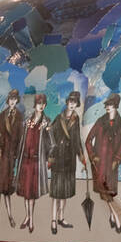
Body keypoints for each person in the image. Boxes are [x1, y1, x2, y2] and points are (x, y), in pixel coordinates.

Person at [85, 93, 121, 232]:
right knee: (105, 193)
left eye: (110, 105)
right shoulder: (100, 121)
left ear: (116, 106)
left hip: (112, 165)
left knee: (110, 192)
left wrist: (117, 159)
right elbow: (88, 141)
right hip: (100, 165)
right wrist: (93, 156)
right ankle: (116, 219)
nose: (108, 108)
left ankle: (111, 217)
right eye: (107, 105)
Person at [48, 92, 86, 234]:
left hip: (70, 160)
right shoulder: (59, 118)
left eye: (75, 102)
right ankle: (53, 220)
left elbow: (76, 140)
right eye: (70, 101)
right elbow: (51, 136)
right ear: (67, 102)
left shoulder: (76, 120)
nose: (72, 104)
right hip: (58, 158)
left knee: (65, 192)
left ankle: (61, 218)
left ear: (76, 104)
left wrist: (82, 158)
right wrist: (51, 155)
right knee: (56, 193)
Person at [15, 93, 50, 234]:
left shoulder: (46, 121)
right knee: (25, 192)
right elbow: (22, 140)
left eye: (43, 103)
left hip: (36, 161)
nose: (40, 105)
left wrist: (46, 157)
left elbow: (51, 143)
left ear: (45, 105)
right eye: (38, 103)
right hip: (25, 160)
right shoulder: (27, 121)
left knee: (32, 192)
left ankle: (31, 219)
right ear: (34, 105)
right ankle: (26, 217)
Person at [0, 90, 24, 227]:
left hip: (11, 157)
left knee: (7, 190)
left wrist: (16, 154)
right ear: (8, 100)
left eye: (14, 99)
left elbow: (21, 137)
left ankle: (10, 215)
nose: (12, 101)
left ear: (17, 101)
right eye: (10, 98)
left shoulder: (20, 117)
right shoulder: (2, 115)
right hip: (2, 155)